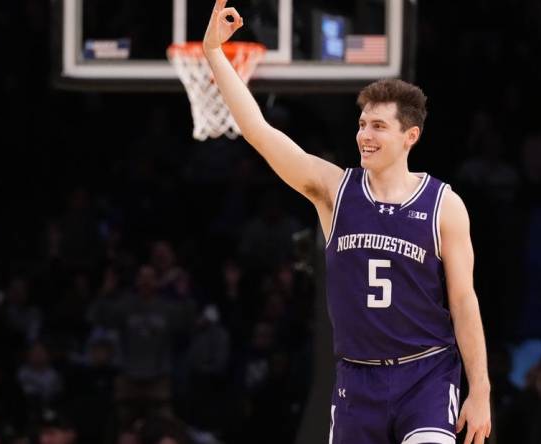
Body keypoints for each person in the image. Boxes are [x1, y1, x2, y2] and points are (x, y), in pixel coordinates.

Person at [201, 2, 492, 443]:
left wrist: (481, 389)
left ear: (409, 136)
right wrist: (214, 54)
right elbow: (260, 131)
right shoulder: (335, 191)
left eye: (378, 126)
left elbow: (464, 302)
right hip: (357, 379)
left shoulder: (443, 205)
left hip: (427, 373)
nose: (364, 136)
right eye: (361, 124)